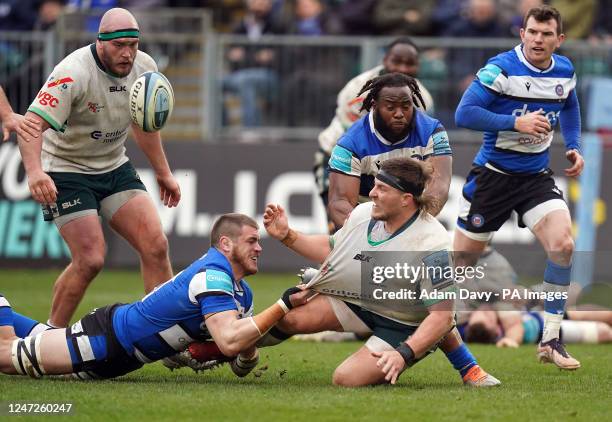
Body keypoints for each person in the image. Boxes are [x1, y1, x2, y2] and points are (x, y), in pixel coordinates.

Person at [325, 72, 500, 386]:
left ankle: (465, 367)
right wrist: (370, 237)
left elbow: (440, 187)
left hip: (415, 222)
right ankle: (240, 345)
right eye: (391, 105)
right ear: (373, 105)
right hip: (365, 227)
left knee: (433, 302)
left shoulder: (432, 130)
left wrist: (404, 228)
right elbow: (339, 202)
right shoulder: (350, 141)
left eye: (406, 105)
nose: (399, 112)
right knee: (295, 314)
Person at [260, 157, 499, 387]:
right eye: (375, 185)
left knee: (345, 378)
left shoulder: (434, 245)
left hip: (401, 324)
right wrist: (287, 235)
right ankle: (235, 351)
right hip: (362, 302)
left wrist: (404, 354)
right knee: (290, 318)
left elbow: (443, 317)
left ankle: (435, 350)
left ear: (406, 199)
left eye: (382, 188)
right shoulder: (365, 213)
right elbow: (334, 249)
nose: (372, 193)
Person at [16, 8, 181, 329]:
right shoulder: (72, 73)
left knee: (156, 245)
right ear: (100, 42)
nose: (128, 53)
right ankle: (51, 337)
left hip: (113, 165)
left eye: (133, 44)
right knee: (91, 259)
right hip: (65, 169)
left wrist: (163, 172)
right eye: (119, 45)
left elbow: (143, 125)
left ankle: (167, 335)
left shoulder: (145, 68)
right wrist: (36, 172)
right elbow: (31, 125)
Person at [0, 213, 309, 380]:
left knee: (35, 340)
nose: (259, 248)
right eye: (253, 241)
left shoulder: (242, 293)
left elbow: (242, 364)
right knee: (9, 358)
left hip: (121, 360)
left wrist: (243, 351)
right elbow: (229, 340)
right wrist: (283, 305)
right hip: (106, 339)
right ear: (226, 244)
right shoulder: (212, 275)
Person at [454, 5, 583, 369]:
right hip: (493, 177)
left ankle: (551, 340)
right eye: (532, 32)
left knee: (563, 245)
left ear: (560, 39)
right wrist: (516, 122)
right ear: (521, 34)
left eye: (546, 34)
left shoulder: (565, 70)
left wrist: (573, 145)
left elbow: (570, 104)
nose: (538, 39)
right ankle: (416, 329)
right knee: (461, 264)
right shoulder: (501, 69)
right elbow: (465, 113)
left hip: (535, 178)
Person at [315, 37, 433, 232]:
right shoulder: (358, 89)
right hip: (338, 158)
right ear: (385, 60)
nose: (402, 68)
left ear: (418, 66)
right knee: (341, 230)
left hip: (386, 167)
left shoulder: (423, 99)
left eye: (409, 63)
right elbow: (352, 142)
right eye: (397, 61)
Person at [463, 306, 612, 347]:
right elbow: (515, 330)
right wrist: (511, 341)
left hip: (542, 315)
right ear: (496, 331)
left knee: (583, 312)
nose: (486, 311)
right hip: (552, 331)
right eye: (488, 317)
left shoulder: (466, 329)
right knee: (604, 332)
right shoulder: (506, 334)